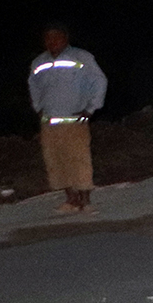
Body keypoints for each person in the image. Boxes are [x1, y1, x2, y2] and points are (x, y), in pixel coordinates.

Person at [28, 25, 107, 214]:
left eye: (57, 37)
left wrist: (90, 108)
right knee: (55, 161)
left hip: (74, 120)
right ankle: (70, 200)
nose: (52, 42)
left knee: (79, 159)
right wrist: (38, 107)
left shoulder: (82, 57)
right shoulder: (38, 62)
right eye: (48, 38)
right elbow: (34, 86)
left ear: (66, 38)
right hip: (50, 122)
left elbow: (99, 81)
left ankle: (85, 201)